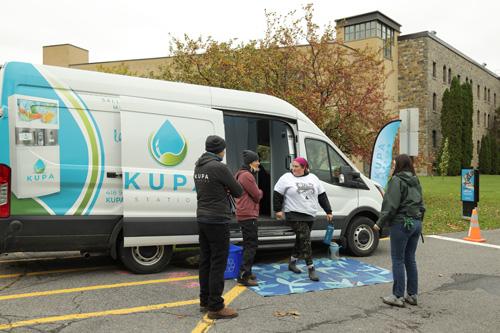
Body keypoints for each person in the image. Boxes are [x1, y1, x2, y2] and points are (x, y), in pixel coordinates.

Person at [194, 135, 243, 319]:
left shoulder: (199, 165)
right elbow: (238, 191)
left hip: (202, 218)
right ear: (220, 150)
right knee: (218, 262)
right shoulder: (219, 167)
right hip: (217, 219)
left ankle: (204, 300)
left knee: (205, 260)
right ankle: (215, 306)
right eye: (224, 149)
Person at [373, 154, 425, 307]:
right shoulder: (415, 180)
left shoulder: (396, 181)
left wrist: (379, 223)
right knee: (410, 259)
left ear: (400, 166)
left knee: (398, 259)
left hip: (401, 224)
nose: (392, 167)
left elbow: (391, 205)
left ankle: (397, 296)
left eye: (393, 164)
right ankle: (412, 294)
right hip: (415, 223)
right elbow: (421, 203)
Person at [273, 157, 333, 281]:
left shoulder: (313, 178)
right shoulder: (286, 178)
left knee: (301, 240)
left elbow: (322, 195)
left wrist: (328, 211)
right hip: (293, 213)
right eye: (292, 166)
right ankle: (311, 269)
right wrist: (278, 210)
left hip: (309, 214)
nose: (293, 169)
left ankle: (292, 263)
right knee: (305, 240)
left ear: (304, 168)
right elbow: (277, 193)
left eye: (296, 167)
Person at [234, 150, 263, 287]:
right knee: (251, 245)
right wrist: (261, 191)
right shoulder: (247, 176)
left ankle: (248, 272)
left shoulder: (241, 173)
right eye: (257, 160)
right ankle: (244, 276)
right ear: (251, 162)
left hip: (244, 213)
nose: (259, 163)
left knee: (248, 244)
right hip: (248, 214)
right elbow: (257, 195)